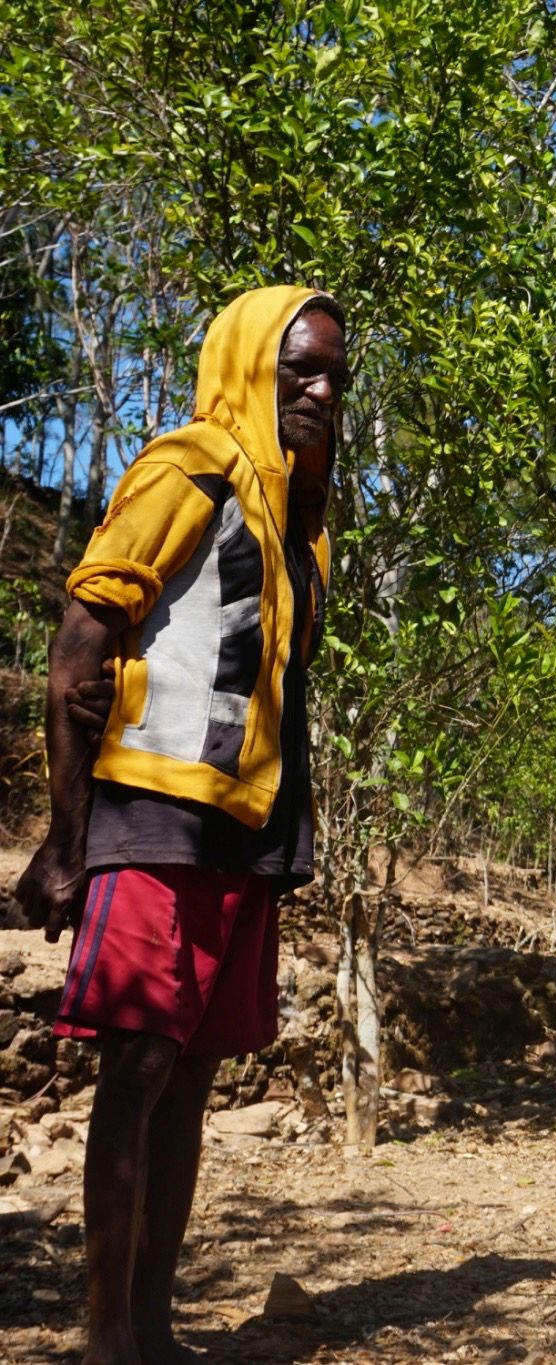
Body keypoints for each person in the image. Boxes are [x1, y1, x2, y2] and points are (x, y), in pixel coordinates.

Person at [14, 285, 347, 1365]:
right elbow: (80, 648)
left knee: (194, 1074)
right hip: (155, 811)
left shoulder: (299, 520)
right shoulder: (188, 468)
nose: (321, 390)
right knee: (141, 1066)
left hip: (246, 831)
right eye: (300, 367)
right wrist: (67, 836)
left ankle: (154, 1327)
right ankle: (109, 1337)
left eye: (335, 374)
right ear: (247, 361)